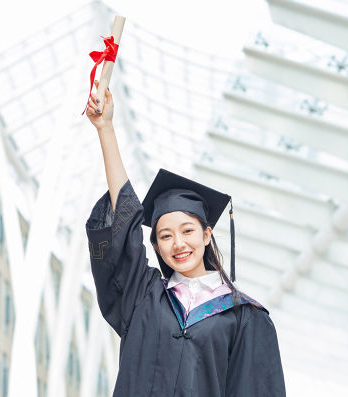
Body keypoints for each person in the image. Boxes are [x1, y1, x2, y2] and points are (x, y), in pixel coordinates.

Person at [85, 81, 286, 396]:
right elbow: (124, 222)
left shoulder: (244, 316)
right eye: (165, 235)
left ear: (207, 235)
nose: (178, 243)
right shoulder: (143, 295)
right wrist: (105, 129)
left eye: (188, 231)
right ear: (156, 246)